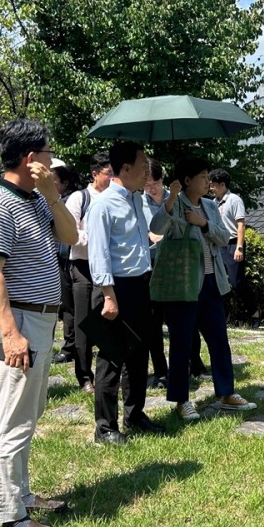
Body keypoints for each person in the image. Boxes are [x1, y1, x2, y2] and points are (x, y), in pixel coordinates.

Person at [0, 118, 78, 527]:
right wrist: (12, 334)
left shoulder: (36, 200)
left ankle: (22, 495)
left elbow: (72, 236)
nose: (53, 160)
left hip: (40, 319)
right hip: (19, 321)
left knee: (27, 414)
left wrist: (54, 197)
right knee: (13, 421)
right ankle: (10, 517)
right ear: (31, 158)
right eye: (49, 153)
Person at [159, 157, 257, 422]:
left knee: (218, 338)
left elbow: (225, 237)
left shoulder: (211, 206)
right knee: (181, 343)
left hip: (211, 281)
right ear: (188, 180)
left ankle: (226, 393)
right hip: (184, 283)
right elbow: (157, 227)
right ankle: (181, 400)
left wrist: (202, 223)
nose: (208, 182)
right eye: (203, 176)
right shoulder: (174, 202)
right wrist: (172, 199)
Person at [86, 141, 166, 444]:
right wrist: (108, 295)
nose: (147, 171)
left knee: (138, 354)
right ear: (126, 168)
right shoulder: (103, 205)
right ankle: (105, 427)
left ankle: (135, 414)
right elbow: (99, 253)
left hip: (139, 286)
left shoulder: (135, 200)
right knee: (110, 358)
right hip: (114, 287)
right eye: (143, 164)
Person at [64, 152, 113, 395]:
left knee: (107, 319)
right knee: (84, 324)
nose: (112, 178)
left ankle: (109, 371)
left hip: (110, 267)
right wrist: (97, 240)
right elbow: (70, 234)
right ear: (95, 174)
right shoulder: (78, 198)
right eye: (108, 173)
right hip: (84, 268)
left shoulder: (116, 197)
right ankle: (84, 376)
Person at [208, 168, 261, 328]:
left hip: (232, 244)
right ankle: (222, 316)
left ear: (222, 185)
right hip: (218, 244)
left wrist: (239, 247)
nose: (211, 188)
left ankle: (254, 312)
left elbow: (241, 224)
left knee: (237, 282)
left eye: (213, 185)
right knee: (217, 282)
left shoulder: (234, 200)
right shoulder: (213, 203)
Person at [141, 159, 170, 388]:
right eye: (147, 184)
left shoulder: (174, 199)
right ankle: (161, 371)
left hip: (175, 265)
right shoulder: (136, 202)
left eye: (155, 183)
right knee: (152, 323)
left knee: (179, 320)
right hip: (150, 267)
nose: (152, 188)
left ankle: (193, 364)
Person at [50, 160, 81, 366]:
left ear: (64, 183)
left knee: (71, 307)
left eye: (53, 181)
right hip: (61, 258)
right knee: (68, 306)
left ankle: (71, 347)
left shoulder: (67, 202)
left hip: (71, 258)